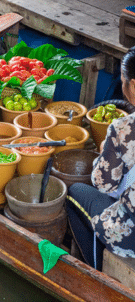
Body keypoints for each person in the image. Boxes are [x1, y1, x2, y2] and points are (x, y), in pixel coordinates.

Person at [67, 46, 135, 271]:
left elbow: (103, 184)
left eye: (123, 81)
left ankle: (97, 273)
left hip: (131, 235)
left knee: (75, 192)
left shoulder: (124, 127)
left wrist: (106, 148)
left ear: (133, 85)